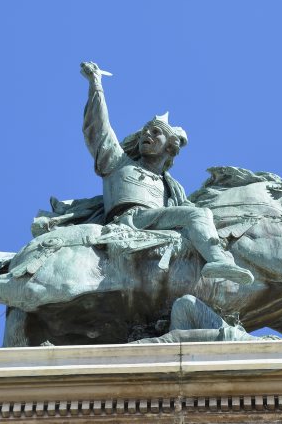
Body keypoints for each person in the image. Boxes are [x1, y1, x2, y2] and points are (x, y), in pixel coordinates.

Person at [80, 61, 253, 285]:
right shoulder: (118, 162)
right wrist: (96, 85)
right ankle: (218, 260)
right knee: (198, 215)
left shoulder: (171, 187)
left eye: (155, 132)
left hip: (158, 223)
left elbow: (191, 211)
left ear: (169, 147)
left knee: (199, 216)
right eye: (144, 132)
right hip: (129, 220)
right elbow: (98, 128)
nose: (146, 135)